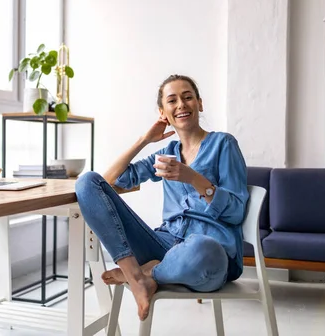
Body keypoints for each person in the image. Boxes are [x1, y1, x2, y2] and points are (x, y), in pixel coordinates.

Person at [75, 74, 249, 321]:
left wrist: (193, 178)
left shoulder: (223, 144)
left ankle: (149, 272)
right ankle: (138, 276)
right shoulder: (167, 153)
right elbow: (108, 182)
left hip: (211, 255)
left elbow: (237, 212)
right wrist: (144, 140)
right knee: (86, 182)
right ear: (163, 113)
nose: (181, 104)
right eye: (172, 100)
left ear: (200, 103)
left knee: (202, 248)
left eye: (188, 97)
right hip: (165, 244)